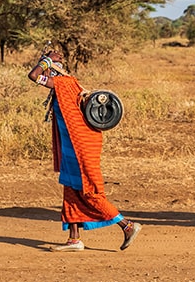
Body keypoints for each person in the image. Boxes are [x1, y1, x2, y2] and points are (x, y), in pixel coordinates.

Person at [28, 49, 142, 252]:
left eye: (51, 71)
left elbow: (34, 75)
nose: (49, 77)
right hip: (72, 147)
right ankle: (74, 239)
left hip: (81, 147)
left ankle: (127, 226)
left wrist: (47, 61)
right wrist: (45, 60)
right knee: (71, 190)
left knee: (90, 192)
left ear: (56, 72)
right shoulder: (65, 87)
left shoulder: (65, 83)